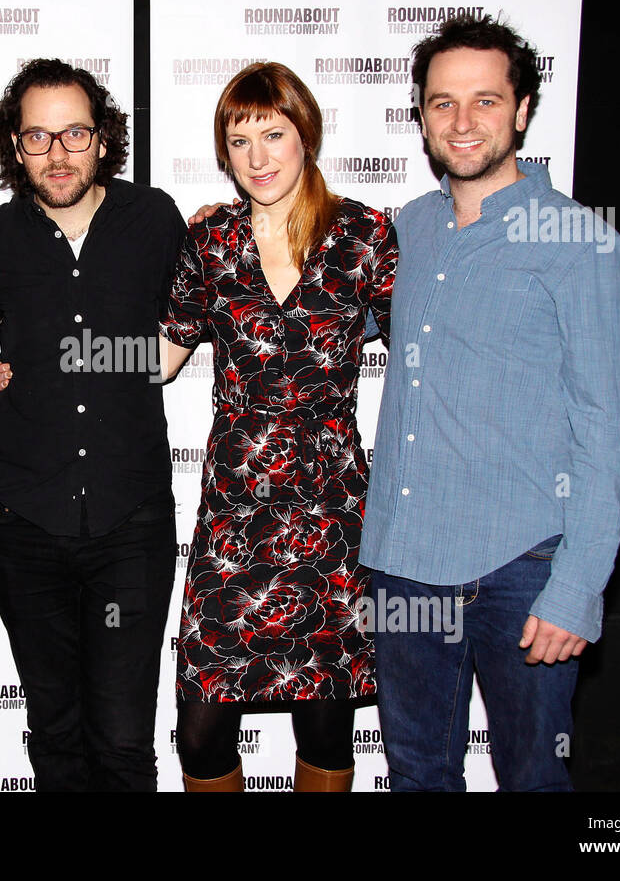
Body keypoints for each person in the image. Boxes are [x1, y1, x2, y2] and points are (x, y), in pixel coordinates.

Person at [360, 15, 620, 791]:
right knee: (416, 774)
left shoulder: (581, 243)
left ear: (521, 111)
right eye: (441, 103)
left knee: (534, 781)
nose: (462, 121)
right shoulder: (407, 229)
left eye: (485, 100)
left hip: (522, 568)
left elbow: (605, 434)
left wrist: (578, 588)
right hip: (405, 566)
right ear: (420, 116)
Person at [158, 62, 396, 792]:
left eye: (274, 134)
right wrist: (55, 357)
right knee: (200, 734)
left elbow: (429, 354)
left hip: (330, 510)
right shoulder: (212, 243)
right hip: (234, 512)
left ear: (305, 136)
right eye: (239, 141)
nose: (257, 158)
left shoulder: (364, 235)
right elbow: (160, 360)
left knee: (326, 727)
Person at [0, 59, 185, 791]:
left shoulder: (153, 219)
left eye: (75, 133)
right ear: (15, 147)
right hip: (28, 520)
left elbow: (178, 342)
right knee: (55, 730)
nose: (58, 154)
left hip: (131, 520)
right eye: (38, 137)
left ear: (103, 138)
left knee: (123, 738)